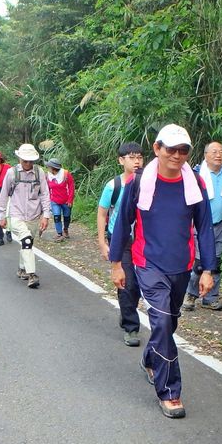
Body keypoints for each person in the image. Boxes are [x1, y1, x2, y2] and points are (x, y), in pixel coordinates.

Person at [108, 124, 217, 419]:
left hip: (181, 266)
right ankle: (170, 391)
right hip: (147, 263)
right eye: (171, 149)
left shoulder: (194, 183)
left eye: (183, 150)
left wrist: (208, 269)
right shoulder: (139, 183)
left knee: (168, 324)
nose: (177, 155)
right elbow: (122, 223)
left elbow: (205, 228)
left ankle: (150, 358)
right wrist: (117, 263)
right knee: (163, 320)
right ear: (157, 149)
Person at [184, 141, 222, 311]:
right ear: (205, 155)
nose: (218, 155)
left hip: (219, 224)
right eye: (214, 152)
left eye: (221, 152)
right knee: (199, 262)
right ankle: (191, 295)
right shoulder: (196, 174)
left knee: (215, 262)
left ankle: (211, 297)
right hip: (200, 226)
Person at [97, 142, 144, 347]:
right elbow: (102, 213)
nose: (136, 161)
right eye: (131, 157)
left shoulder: (148, 182)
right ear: (121, 160)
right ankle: (131, 328)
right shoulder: (114, 186)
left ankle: (126, 312)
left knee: (140, 284)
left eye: (140, 157)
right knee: (127, 282)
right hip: (120, 238)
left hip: (143, 240)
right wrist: (102, 242)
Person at [0, 143, 51, 288]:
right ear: (19, 159)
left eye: (30, 161)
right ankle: (32, 275)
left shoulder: (39, 173)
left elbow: (45, 194)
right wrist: (1, 215)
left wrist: (46, 215)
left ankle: (22, 269)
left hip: (34, 214)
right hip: (16, 214)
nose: (28, 163)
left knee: (28, 243)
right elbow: (3, 195)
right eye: (25, 160)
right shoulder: (11, 173)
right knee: (26, 240)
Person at [46, 158, 75, 241]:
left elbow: (71, 187)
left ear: (53, 168)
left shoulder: (66, 174)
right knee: (56, 216)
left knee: (67, 216)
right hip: (54, 200)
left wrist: (70, 200)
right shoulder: (48, 175)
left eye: (49, 167)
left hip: (66, 201)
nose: (48, 168)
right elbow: (47, 188)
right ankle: (59, 234)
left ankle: (65, 229)